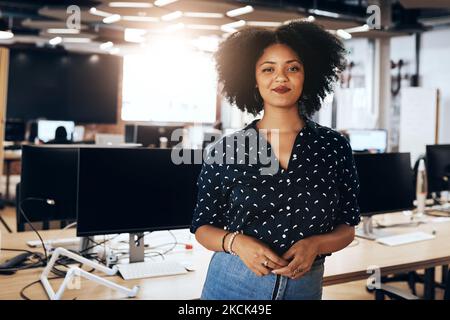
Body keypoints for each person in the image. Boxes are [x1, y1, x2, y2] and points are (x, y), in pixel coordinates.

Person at [190, 21, 360, 300]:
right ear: (253, 80)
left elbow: (348, 226)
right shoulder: (227, 149)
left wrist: (316, 244)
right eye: (268, 69)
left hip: (304, 287)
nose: (280, 78)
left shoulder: (334, 147)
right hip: (232, 285)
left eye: (292, 68)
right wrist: (237, 242)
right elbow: (202, 227)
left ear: (308, 76)